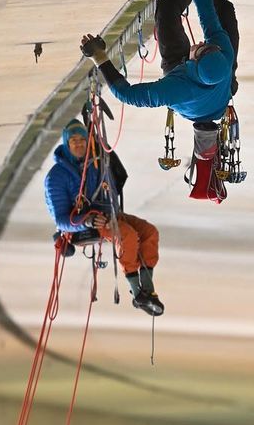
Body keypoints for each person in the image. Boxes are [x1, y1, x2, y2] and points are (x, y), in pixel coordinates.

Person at [80, 0, 239, 201]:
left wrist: (99, 57)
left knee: (166, 9)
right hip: (220, 84)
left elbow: (126, 94)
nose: (198, 42)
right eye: (203, 45)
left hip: (188, 78)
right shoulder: (222, 51)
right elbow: (208, 14)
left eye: (198, 48)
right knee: (224, 10)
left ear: (193, 60)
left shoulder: (174, 89)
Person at [43, 119, 164, 316]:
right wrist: (87, 220)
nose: (79, 144)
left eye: (82, 139)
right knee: (128, 236)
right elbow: (61, 220)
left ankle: (148, 290)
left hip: (110, 214)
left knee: (149, 232)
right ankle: (136, 292)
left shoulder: (97, 162)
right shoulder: (56, 177)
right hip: (84, 226)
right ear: (66, 143)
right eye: (73, 140)